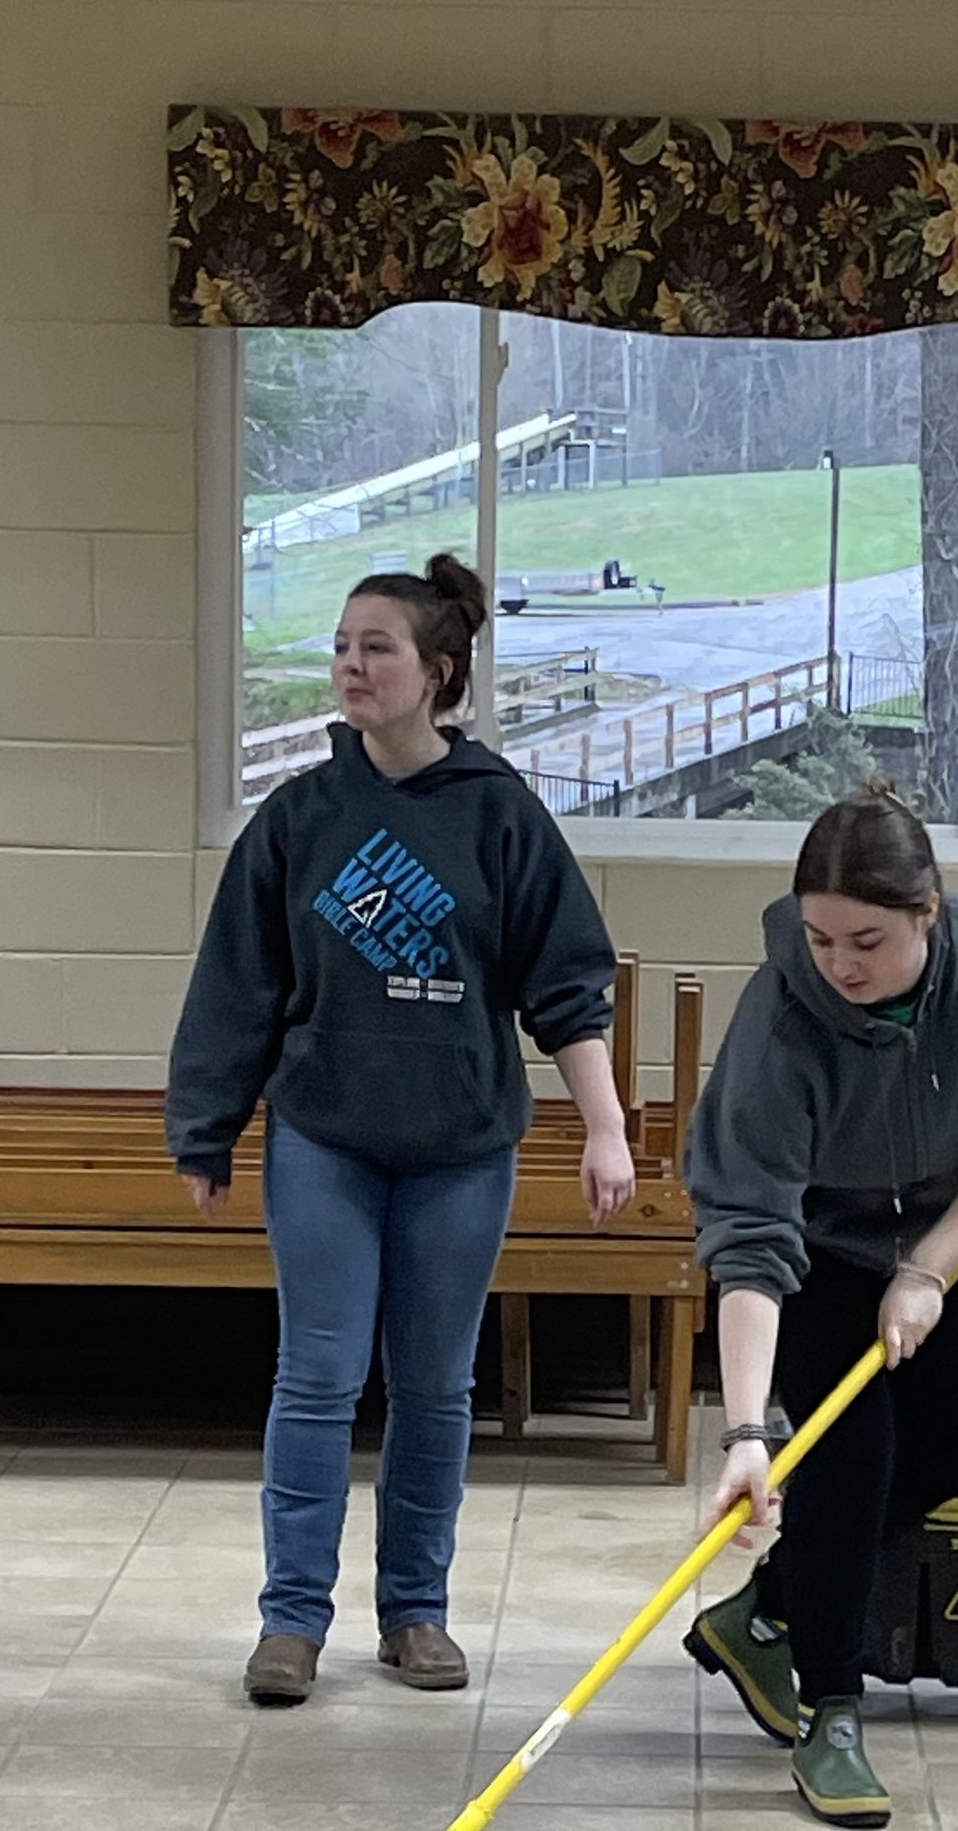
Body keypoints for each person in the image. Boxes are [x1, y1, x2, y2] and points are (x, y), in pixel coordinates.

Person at [168, 553, 632, 1704]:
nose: (351, 666)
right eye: (341, 646)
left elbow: (567, 985)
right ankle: (291, 1622)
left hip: (462, 1145)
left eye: (376, 648)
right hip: (326, 1136)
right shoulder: (299, 817)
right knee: (319, 1374)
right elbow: (238, 983)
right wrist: (206, 1126)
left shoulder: (500, 817)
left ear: (437, 671)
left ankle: (415, 1611)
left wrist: (605, 1129)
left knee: (433, 1384)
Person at [683, 785, 958, 1829]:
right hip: (815, 1251)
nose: (839, 965)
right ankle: (833, 1709)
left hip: (940, 1240)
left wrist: (930, 1270)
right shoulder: (779, 1017)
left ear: (929, 914)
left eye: (866, 939)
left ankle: (767, 1612)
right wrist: (743, 1431)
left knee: (949, 1451)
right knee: (844, 1467)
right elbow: (751, 1241)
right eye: (818, 937)